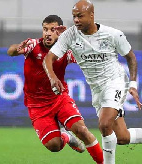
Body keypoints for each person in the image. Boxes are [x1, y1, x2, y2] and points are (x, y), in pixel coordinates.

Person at [43, 0, 142, 164]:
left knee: (104, 124)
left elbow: (130, 57)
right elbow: (49, 58)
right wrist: (53, 77)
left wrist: (132, 85)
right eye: (74, 16)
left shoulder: (112, 34)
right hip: (97, 89)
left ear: (91, 15)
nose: (76, 20)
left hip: (116, 81)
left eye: (80, 16)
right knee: (122, 137)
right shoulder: (70, 35)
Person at [7, 15, 104, 164]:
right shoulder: (33, 45)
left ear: (59, 31)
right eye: (45, 29)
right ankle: (66, 137)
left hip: (59, 99)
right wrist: (17, 49)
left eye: (52, 30)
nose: (48, 33)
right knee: (54, 146)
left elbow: (86, 55)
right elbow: (11, 51)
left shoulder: (66, 50)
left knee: (82, 130)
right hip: (37, 107)